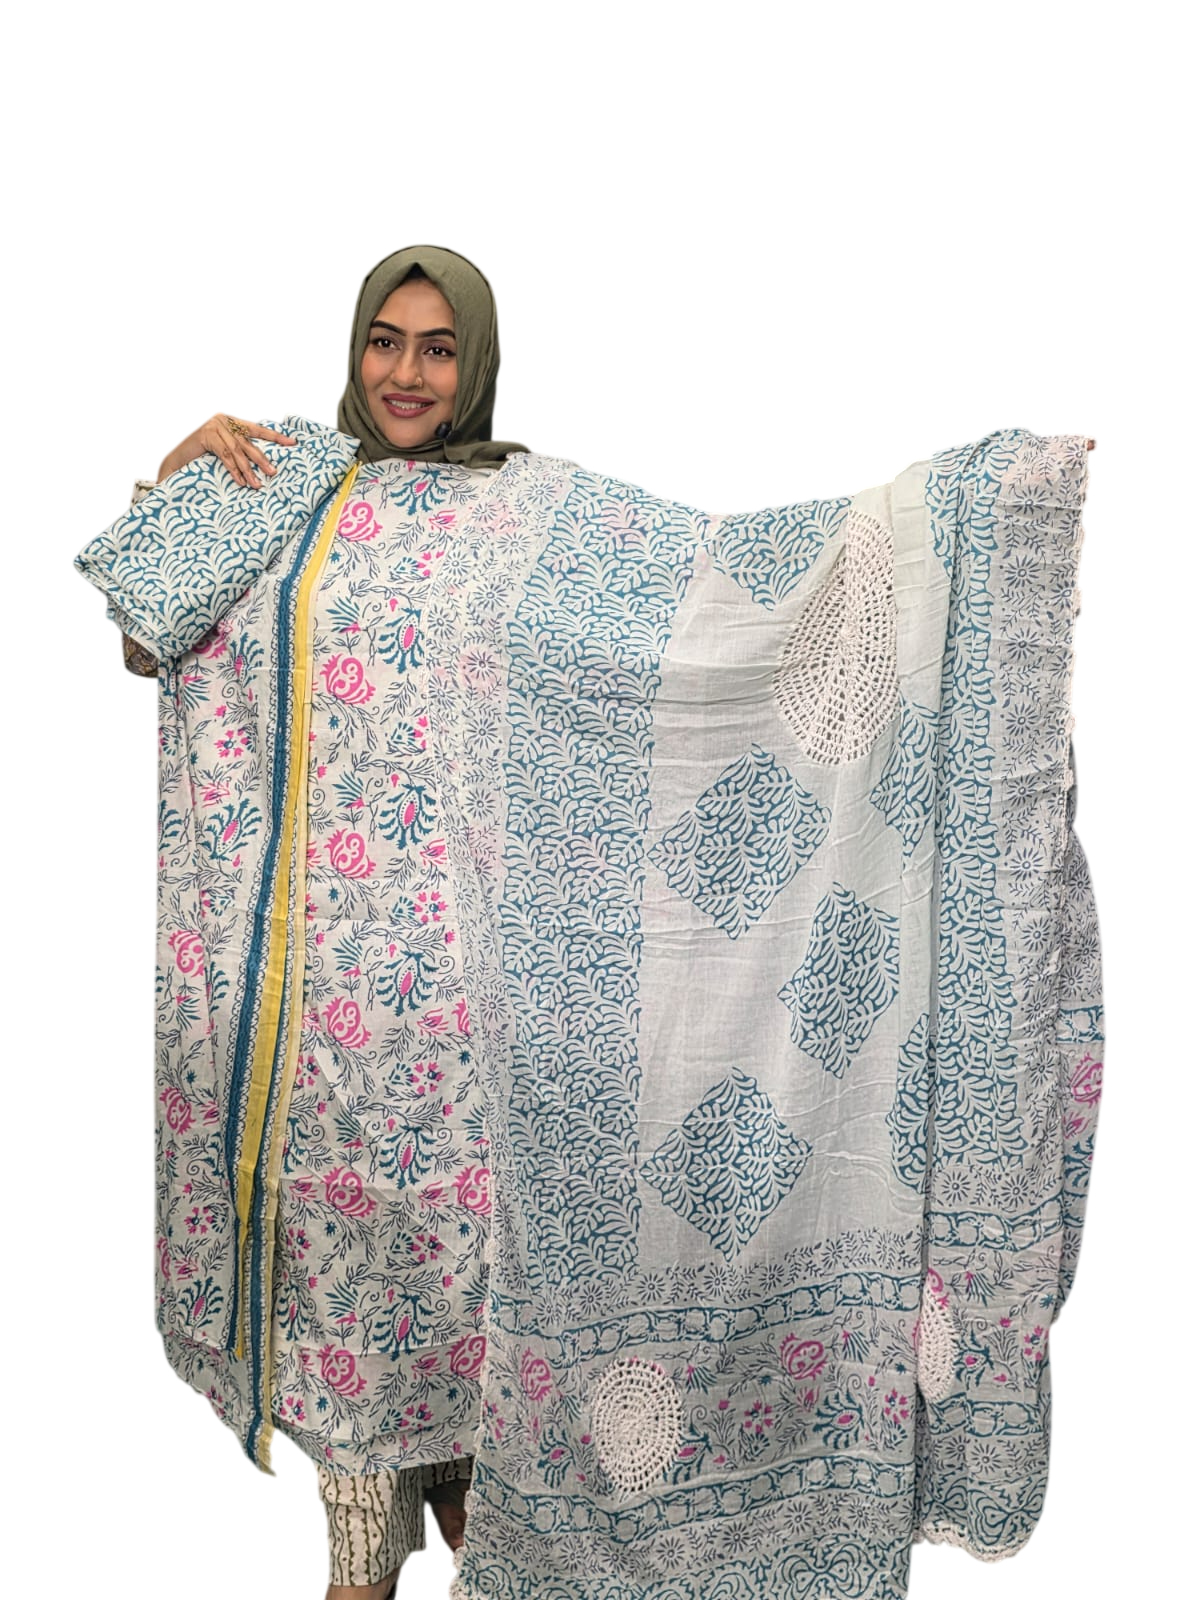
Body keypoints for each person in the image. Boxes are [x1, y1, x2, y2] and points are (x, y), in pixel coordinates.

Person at [113, 245, 528, 1600]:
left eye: (438, 348)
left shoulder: (527, 510)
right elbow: (145, 639)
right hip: (309, 1016)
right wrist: (176, 480)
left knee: (465, 1313)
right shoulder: (284, 480)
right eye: (383, 341)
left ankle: (464, 1498)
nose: (406, 373)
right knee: (348, 1315)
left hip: (460, 1011)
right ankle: (364, 1544)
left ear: (476, 362)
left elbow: (674, 623)